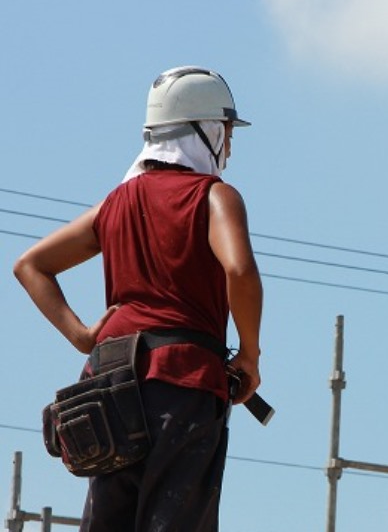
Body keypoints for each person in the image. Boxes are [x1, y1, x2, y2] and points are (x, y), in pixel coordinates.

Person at [13, 66, 263, 531]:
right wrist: (249, 354)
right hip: (183, 384)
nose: (229, 146)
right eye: (227, 133)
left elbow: (30, 265)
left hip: (110, 389)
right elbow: (240, 269)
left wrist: (82, 336)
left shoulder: (116, 204)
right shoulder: (214, 197)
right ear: (206, 132)